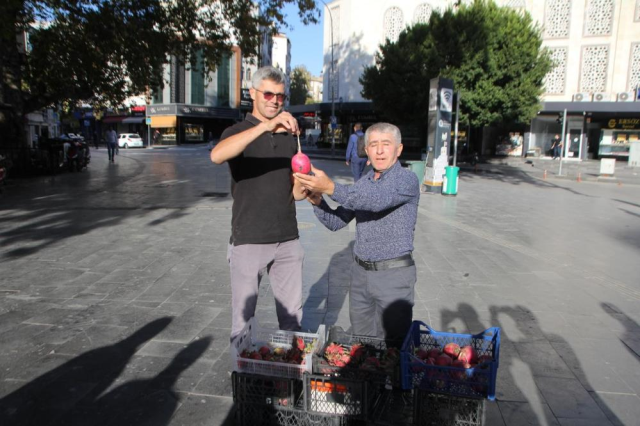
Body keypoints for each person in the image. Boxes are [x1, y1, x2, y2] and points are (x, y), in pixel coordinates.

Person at [294, 123, 419, 347]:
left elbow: (375, 201)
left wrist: (330, 187)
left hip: (394, 277)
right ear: (367, 151)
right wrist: (317, 201)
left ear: (398, 149)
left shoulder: (406, 180)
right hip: (361, 276)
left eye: (386, 144)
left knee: (393, 347)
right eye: (374, 145)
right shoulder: (364, 182)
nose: (380, 150)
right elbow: (336, 222)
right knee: (362, 345)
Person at [210, 66, 307, 342]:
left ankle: (290, 378)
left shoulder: (289, 137)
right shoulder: (236, 130)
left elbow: (295, 193)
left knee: (292, 322)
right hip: (249, 239)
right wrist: (264, 127)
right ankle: (244, 380)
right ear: (253, 93)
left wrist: (306, 182)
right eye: (268, 94)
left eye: (280, 96)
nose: (275, 101)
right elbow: (217, 156)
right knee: (242, 325)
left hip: (288, 239)